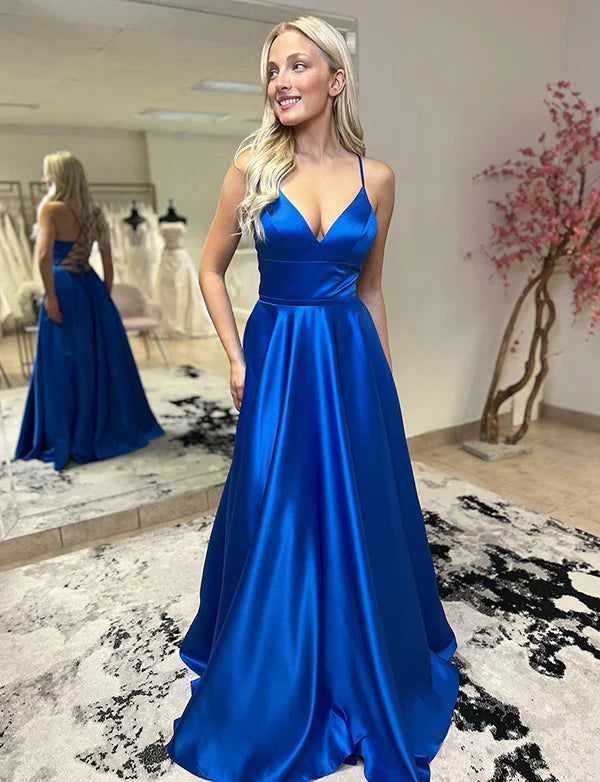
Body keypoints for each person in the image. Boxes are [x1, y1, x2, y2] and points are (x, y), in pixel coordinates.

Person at [166, 15, 459, 782]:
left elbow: (371, 289)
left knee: (358, 507)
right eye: (272, 70)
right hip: (279, 353)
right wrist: (236, 357)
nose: (282, 81)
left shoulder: (378, 178)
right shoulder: (251, 168)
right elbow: (209, 268)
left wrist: (382, 385)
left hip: (350, 360)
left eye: (298, 65)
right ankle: (276, 659)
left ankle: (360, 647)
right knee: (277, 503)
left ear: (336, 79)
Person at [14, 151, 164, 471]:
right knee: (99, 359)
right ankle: (106, 423)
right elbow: (107, 261)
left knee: (62, 361)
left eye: (47, 173)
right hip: (90, 285)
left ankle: (66, 432)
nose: (44, 179)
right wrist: (102, 295)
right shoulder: (94, 211)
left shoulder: (51, 208)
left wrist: (50, 297)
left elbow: (44, 256)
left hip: (63, 286)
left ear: (58, 176)